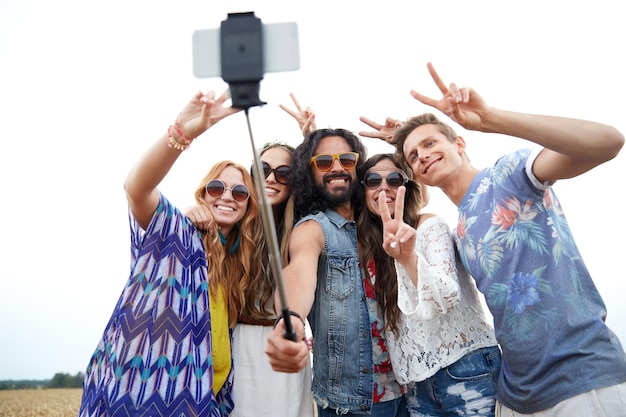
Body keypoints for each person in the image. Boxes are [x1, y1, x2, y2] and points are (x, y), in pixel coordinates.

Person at [361, 62, 626, 415]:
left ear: (459, 142)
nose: (422, 155)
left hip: (580, 379)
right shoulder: (460, 228)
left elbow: (607, 142)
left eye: (430, 143)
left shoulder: (508, 175)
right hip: (518, 395)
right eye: (413, 155)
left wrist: (490, 119)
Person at [78, 90, 256, 417]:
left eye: (240, 191)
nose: (228, 197)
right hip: (146, 397)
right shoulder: (176, 232)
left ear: (248, 205)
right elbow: (136, 188)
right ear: (203, 194)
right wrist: (182, 132)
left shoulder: (239, 263)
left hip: (206, 402)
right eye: (217, 188)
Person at [265, 128, 409, 417]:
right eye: (323, 162)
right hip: (352, 403)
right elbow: (299, 274)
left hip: (408, 391)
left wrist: (404, 137)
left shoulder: (383, 221)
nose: (336, 168)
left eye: (346, 159)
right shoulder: (313, 229)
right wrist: (289, 321)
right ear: (310, 173)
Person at [358, 153, 500, 416]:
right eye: (373, 180)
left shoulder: (429, 226)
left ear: (407, 187)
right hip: (415, 383)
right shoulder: (369, 245)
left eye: (394, 179)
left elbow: (446, 296)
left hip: (463, 366)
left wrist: (407, 257)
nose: (384, 187)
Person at [185, 141, 315, 417]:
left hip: (285, 340)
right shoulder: (238, 223)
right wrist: (193, 213)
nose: (271, 179)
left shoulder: (305, 225)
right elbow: (207, 223)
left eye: (285, 173)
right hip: (240, 344)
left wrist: (310, 136)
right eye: (263, 169)